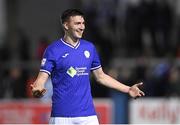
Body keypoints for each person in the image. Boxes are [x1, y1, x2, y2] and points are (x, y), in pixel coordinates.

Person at [31, 9, 145, 125]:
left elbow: (101, 77)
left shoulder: (89, 48)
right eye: (77, 23)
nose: (82, 27)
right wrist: (38, 88)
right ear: (66, 25)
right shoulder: (53, 50)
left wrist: (128, 89)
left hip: (88, 116)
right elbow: (41, 79)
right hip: (62, 116)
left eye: (83, 23)